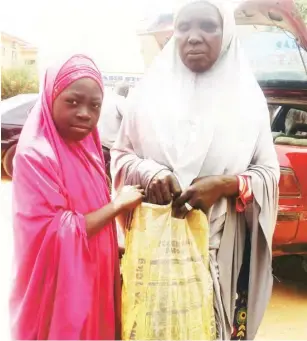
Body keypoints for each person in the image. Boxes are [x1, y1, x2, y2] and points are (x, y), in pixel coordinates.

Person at [111, 1, 280, 340]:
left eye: (208, 26)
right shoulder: (148, 94)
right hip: (156, 255)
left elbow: (268, 173)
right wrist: (149, 173)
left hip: (219, 249)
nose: (194, 37)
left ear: (227, 33)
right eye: (184, 27)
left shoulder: (248, 100)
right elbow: (121, 156)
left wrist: (225, 185)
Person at [10, 54, 143, 340]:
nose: (85, 113)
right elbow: (54, 230)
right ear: (50, 98)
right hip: (60, 285)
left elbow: (89, 207)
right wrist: (118, 204)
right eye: (72, 101)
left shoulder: (88, 147)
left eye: (94, 106)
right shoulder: (37, 154)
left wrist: (114, 244)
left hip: (96, 272)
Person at [98, 82, 130, 178]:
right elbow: (130, 119)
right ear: (127, 92)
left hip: (98, 145)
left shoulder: (104, 100)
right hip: (111, 149)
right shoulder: (121, 101)